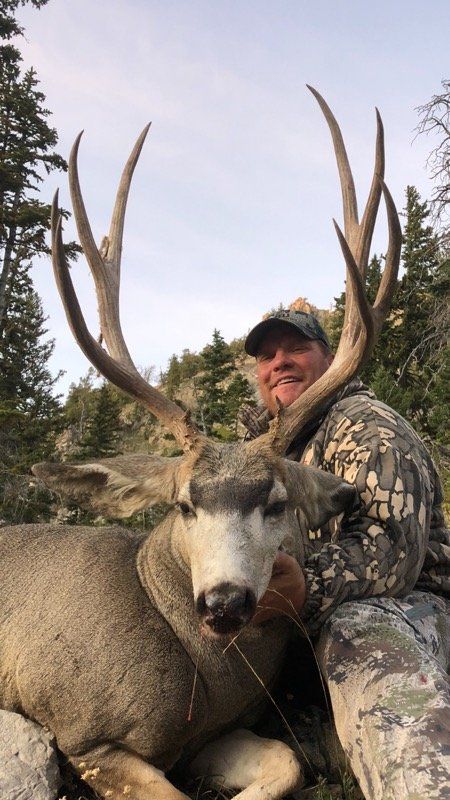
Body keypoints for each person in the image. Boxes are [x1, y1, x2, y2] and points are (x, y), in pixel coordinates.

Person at [242, 307, 450, 800]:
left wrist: (304, 586)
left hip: (410, 613)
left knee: (356, 630)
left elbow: (390, 555)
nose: (280, 363)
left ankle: (424, 780)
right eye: (268, 355)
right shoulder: (271, 451)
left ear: (333, 360)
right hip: (310, 621)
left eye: (297, 349)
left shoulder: (367, 427)